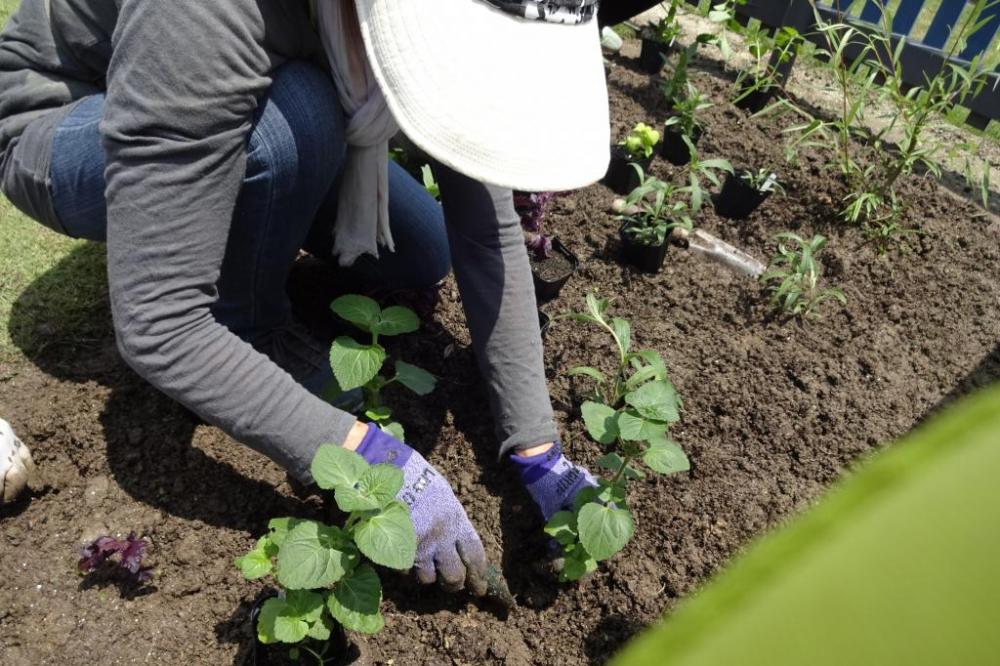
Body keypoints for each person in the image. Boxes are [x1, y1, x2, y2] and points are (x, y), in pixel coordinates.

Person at [0, 0, 610, 592]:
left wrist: (537, 448)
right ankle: (251, 325)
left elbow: (485, 231)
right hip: (67, 115)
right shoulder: (204, 11)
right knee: (301, 116)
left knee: (422, 250)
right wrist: (366, 459)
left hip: (252, 81)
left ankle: (271, 186)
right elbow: (160, 322)